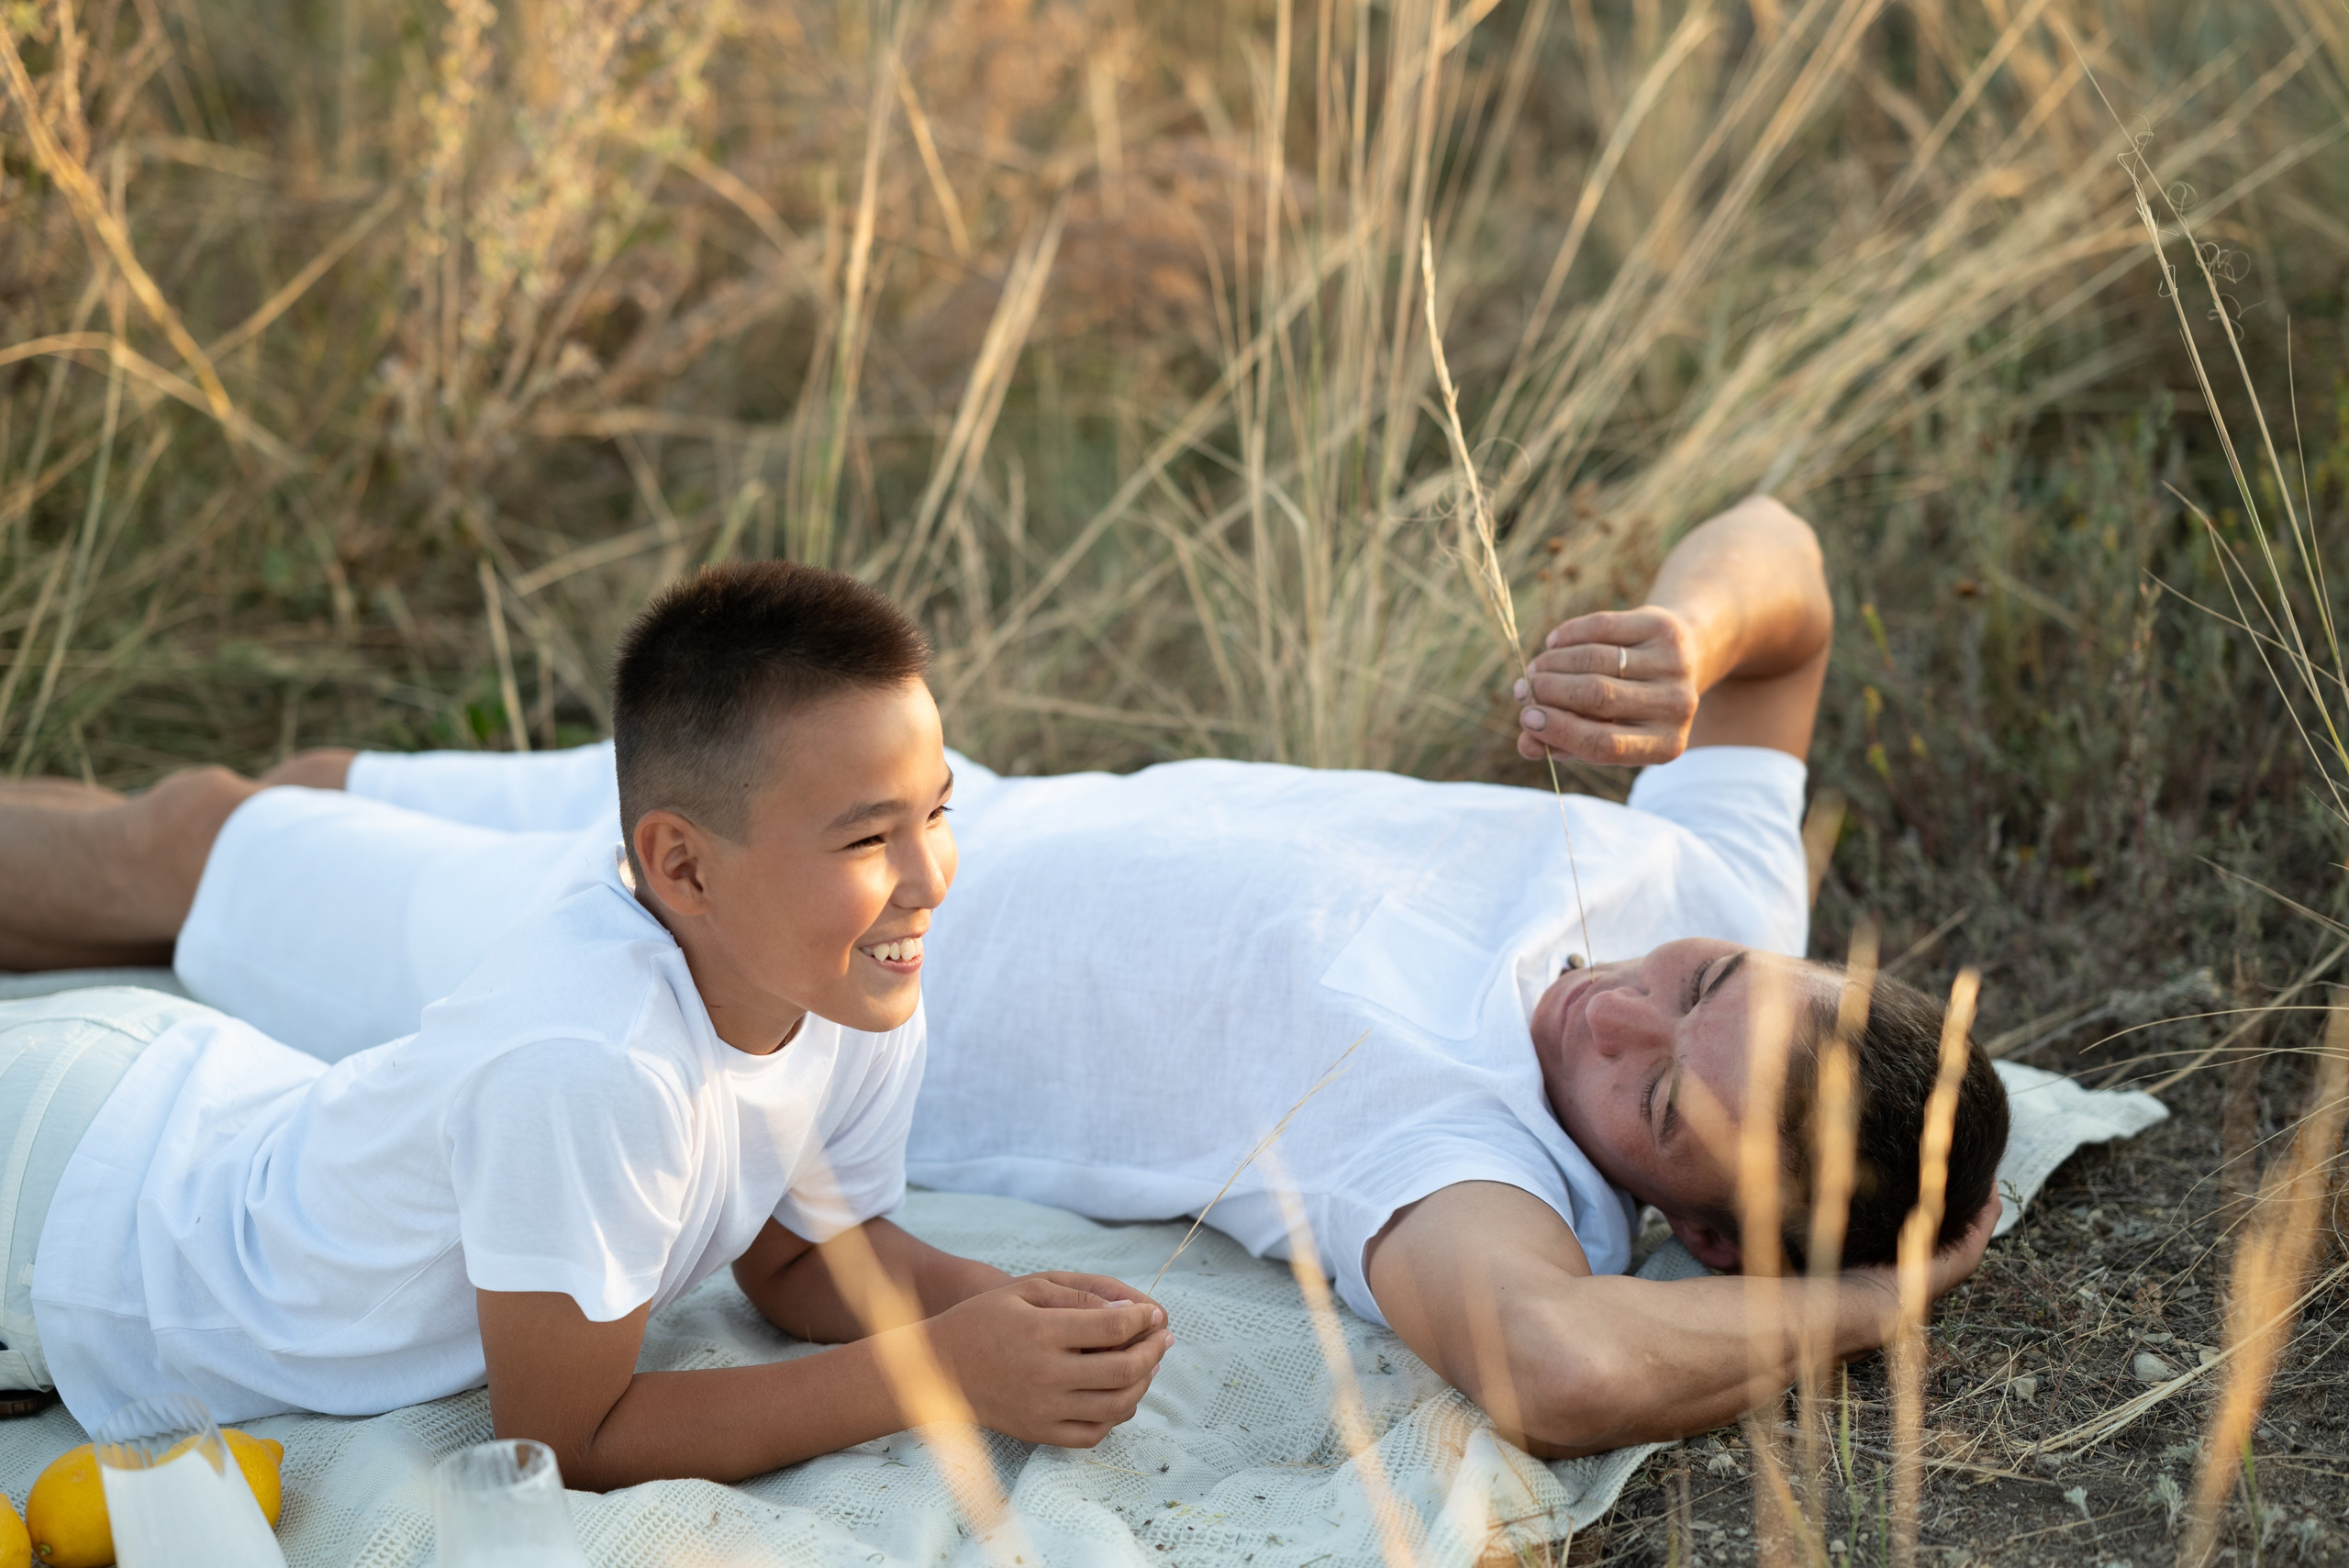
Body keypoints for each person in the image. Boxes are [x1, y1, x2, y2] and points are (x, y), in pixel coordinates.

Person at [0, 496, 2005, 1459]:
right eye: (1698, 978)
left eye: (1654, 1100)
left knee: (189, 866)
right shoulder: (1700, 853)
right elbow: (1787, 578)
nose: (1615, 1015)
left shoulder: (1466, 1164)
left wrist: (1873, 1293)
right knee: (236, 809)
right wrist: (1683, 617)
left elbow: (1557, 1365)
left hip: (765, 990)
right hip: (848, 803)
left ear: (1677, 1217)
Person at [0, 564, 1172, 1485]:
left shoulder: (848, 979)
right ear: (682, 866)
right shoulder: (594, 1059)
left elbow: (803, 1253)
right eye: (869, 838)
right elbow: (568, 1439)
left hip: (200, 1099)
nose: (928, 875)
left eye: (938, 812)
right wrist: (937, 1371)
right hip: (74, 1217)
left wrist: (999, 1306)